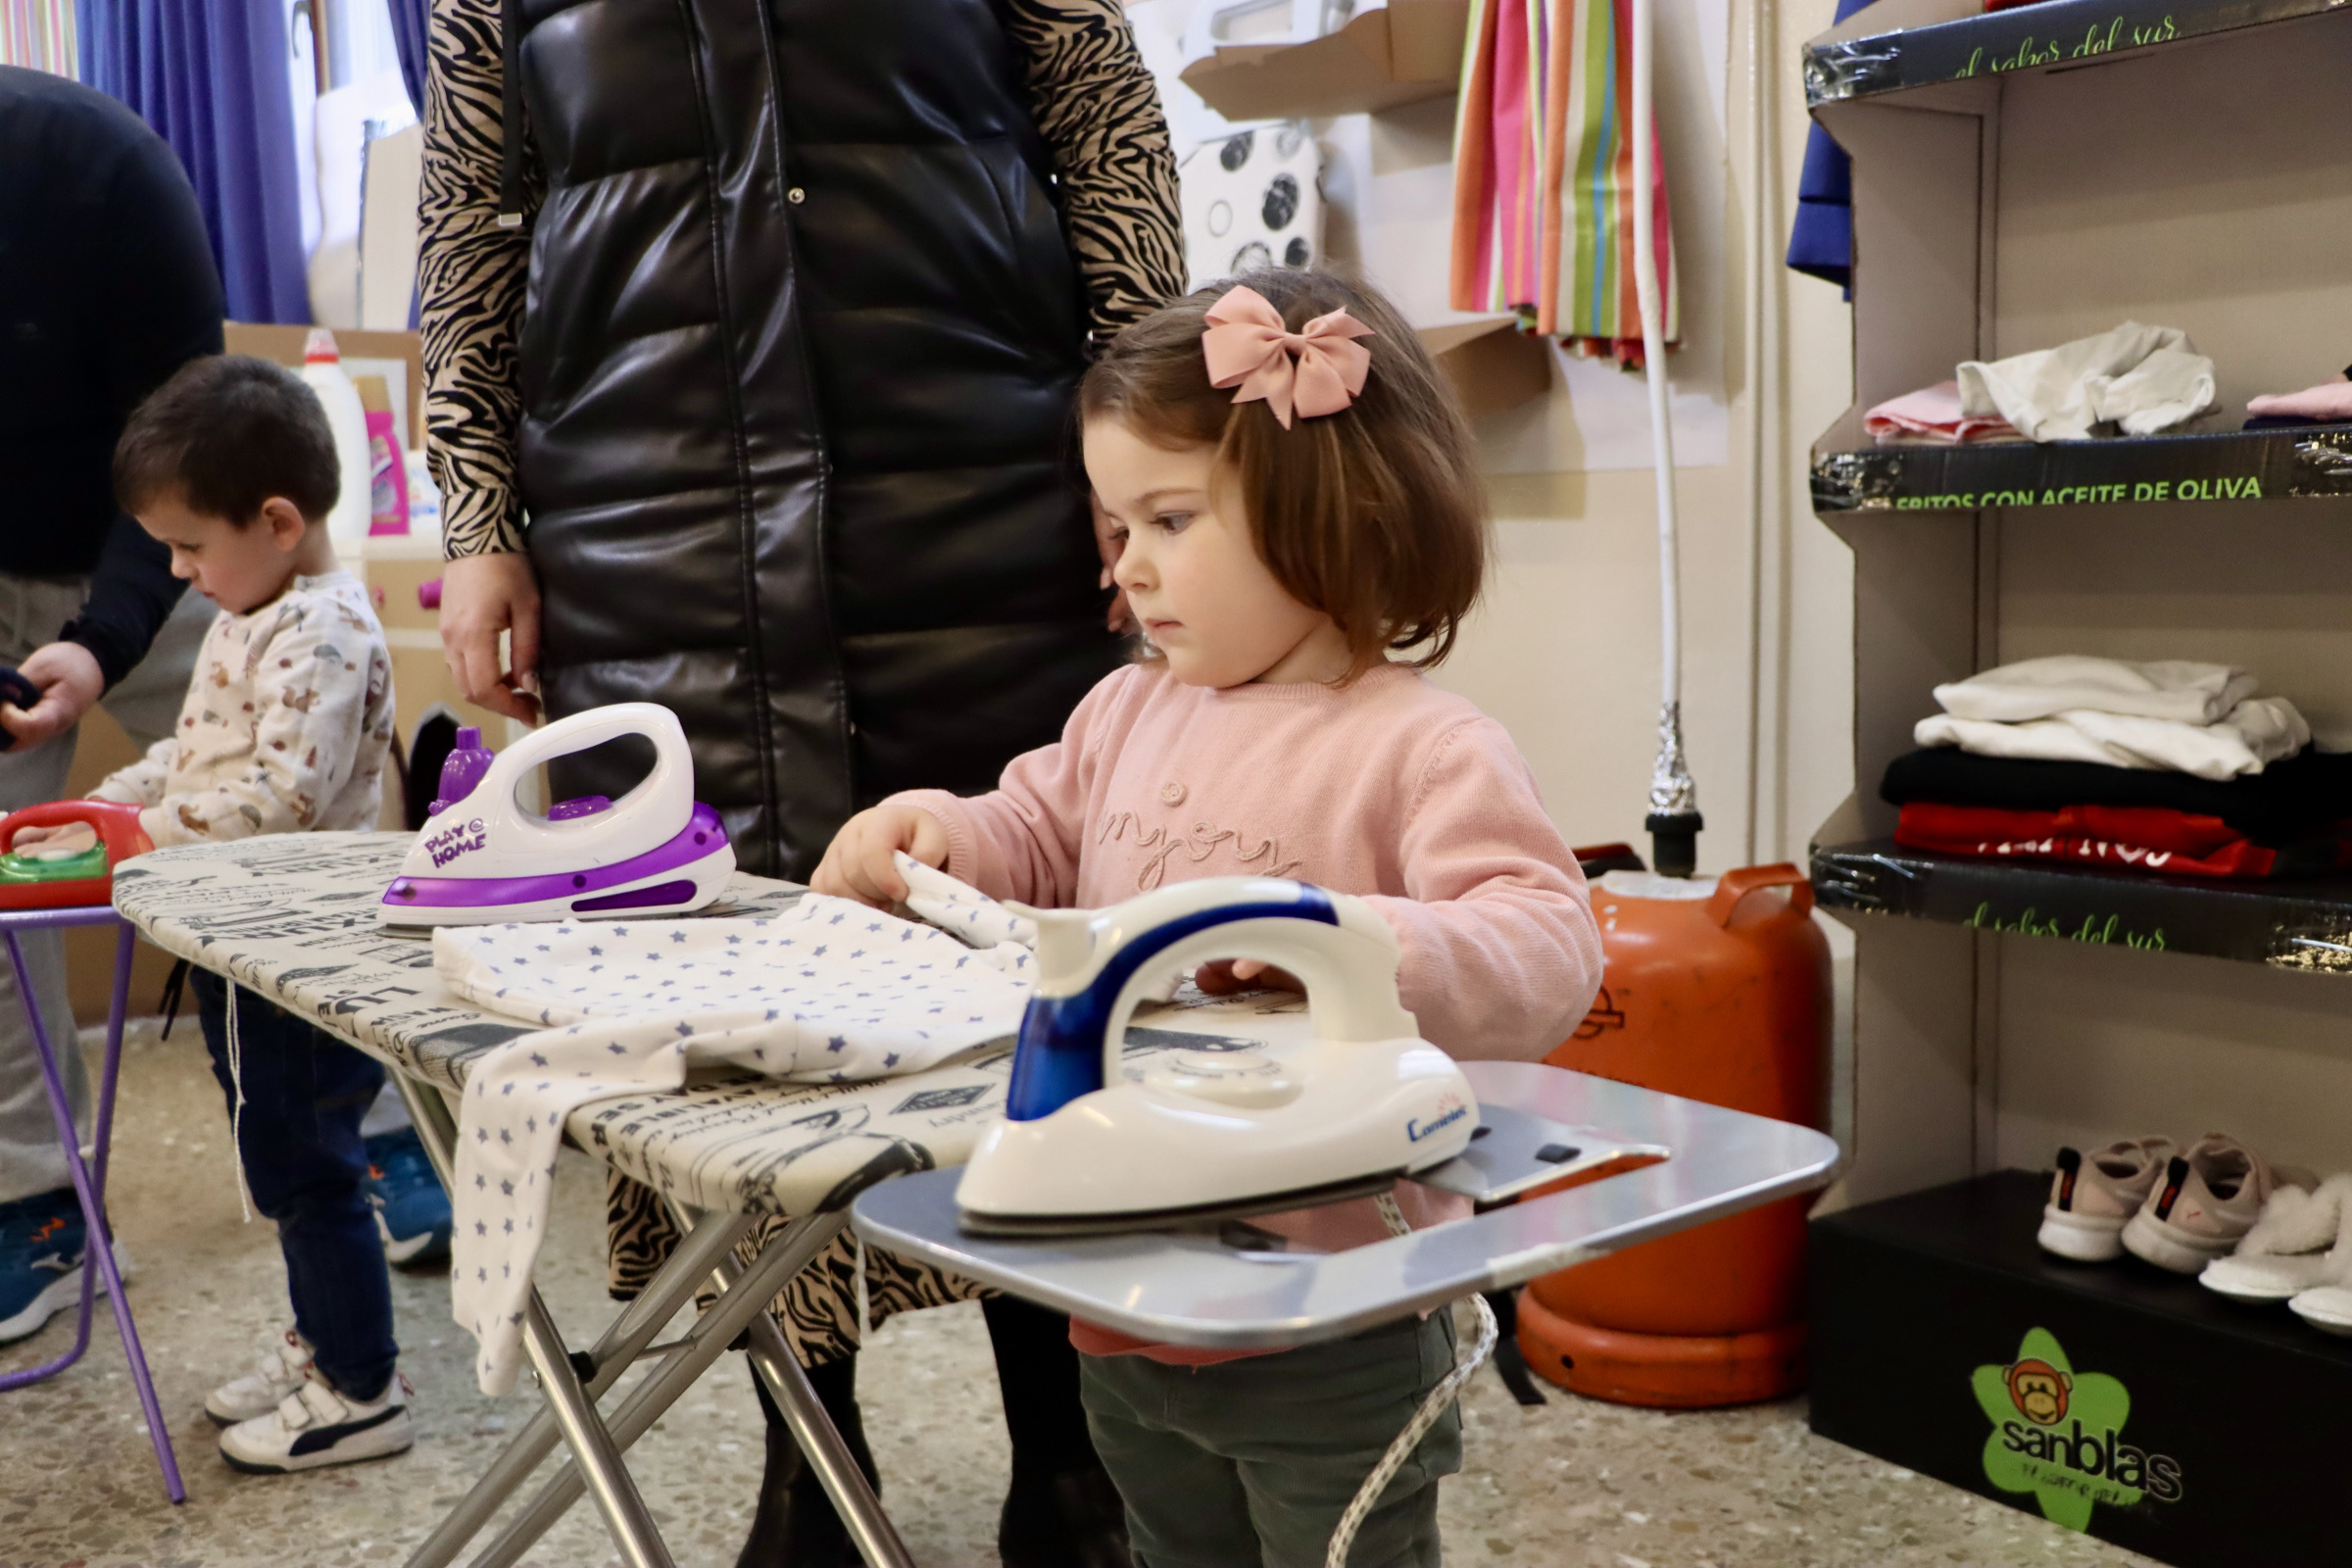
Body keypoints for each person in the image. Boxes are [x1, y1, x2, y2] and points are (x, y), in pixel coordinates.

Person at [417, 3, 1184, 1561]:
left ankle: (1071, 1450)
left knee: (1029, 963)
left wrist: (1158, 467)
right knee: (723, 1016)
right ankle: (809, 1454)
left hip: (982, 497)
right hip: (650, 534)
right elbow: (471, 214)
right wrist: (478, 513)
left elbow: (1104, 132)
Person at [812, 269, 1606, 1568]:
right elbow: (1039, 831)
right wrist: (944, 833)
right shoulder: (1128, 708)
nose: (1127, 564)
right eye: (1113, 524)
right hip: (1119, 1289)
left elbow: (1549, 946)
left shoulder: (1421, 745)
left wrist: (1347, 942)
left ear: (1334, 513)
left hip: (1337, 1309)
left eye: (1170, 519)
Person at [47, 355, 407, 1472]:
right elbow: (200, 752)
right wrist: (102, 804)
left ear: (280, 521)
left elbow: (280, 797)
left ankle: (360, 1384)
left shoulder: (324, 630)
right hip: (239, 949)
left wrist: (133, 840)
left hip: (298, 950)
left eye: (191, 545)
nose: (177, 568)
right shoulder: (257, 610)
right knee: (280, 1150)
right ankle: (322, 1341)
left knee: (307, 1166)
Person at [0, 64, 224, 1347]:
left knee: (306, 831)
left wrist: (99, 641)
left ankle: (374, 1139)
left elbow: (190, 444)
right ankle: (39, 1203)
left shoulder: (104, 170)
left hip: (169, 545)